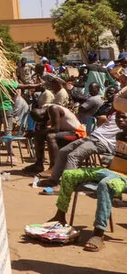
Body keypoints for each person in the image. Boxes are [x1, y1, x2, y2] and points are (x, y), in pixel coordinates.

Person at [44, 110, 127, 252]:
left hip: (123, 177)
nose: (120, 120)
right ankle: (60, 216)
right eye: (118, 117)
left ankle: (98, 234)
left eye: (124, 117)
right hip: (111, 171)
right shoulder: (119, 135)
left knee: (105, 184)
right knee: (70, 175)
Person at [38, 110, 125, 188]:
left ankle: (67, 185)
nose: (120, 119)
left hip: (102, 142)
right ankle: (53, 179)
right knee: (63, 151)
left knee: (73, 156)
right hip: (92, 137)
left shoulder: (123, 116)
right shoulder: (116, 112)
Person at [25, 105, 86, 175]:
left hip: (78, 134)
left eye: (42, 120)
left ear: (43, 116)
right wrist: (36, 132)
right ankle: (38, 164)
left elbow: (55, 129)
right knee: (39, 135)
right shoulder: (45, 109)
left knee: (51, 136)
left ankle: (54, 167)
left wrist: (36, 132)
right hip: (66, 132)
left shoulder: (53, 109)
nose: (44, 121)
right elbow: (43, 129)